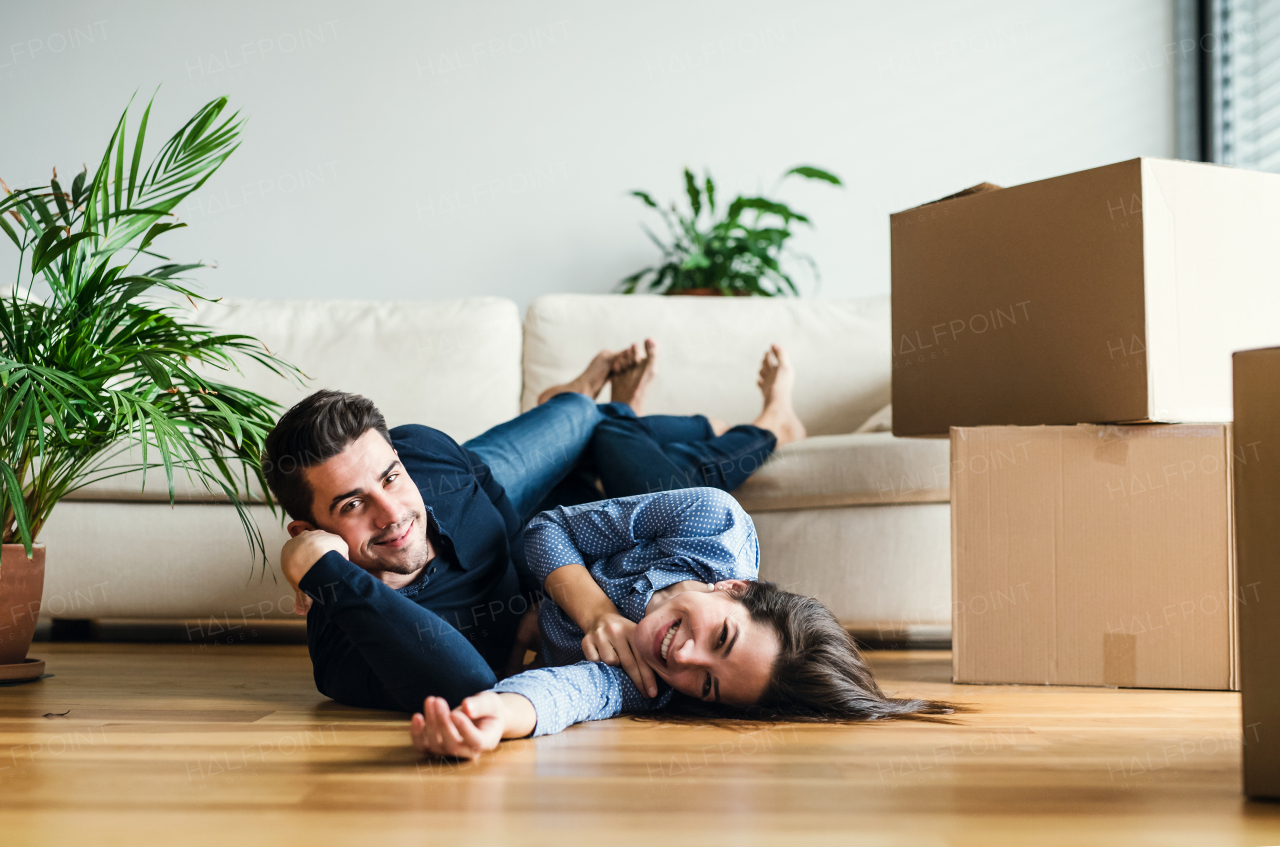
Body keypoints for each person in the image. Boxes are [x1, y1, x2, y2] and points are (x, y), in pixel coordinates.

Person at [265, 342, 807, 713]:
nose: (391, 514)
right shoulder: (345, 649)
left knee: (582, 418)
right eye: (352, 505)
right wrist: (320, 568)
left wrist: (538, 574)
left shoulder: (426, 459)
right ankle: (738, 423)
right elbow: (469, 687)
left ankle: (594, 403)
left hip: (496, 494)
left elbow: (508, 510)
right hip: (559, 529)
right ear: (311, 531)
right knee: (640, 462)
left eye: (390, 476)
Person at [408, 488, 953, 759]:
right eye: (722, 637)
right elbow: (546, 529)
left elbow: (571, 692)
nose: (685, 658)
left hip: (499, 593)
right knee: (568, 424)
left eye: (709, 685)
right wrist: (596, 613)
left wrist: (497, 716)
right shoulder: (712, 522)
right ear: (736, 588)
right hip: (544, 510)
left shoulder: (655, 685)